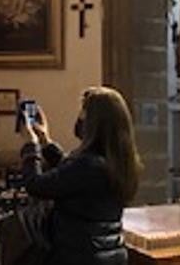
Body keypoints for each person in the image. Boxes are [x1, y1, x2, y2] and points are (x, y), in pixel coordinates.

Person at [19, 88, 142, 265]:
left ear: (93, 122)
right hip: (110, 254)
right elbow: (71, 176)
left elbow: (35, 185)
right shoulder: (119, 162)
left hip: (78, 255)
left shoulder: (88, 165)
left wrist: (31, 147)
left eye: (83, 113)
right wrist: (46, 142)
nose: (79, 117)